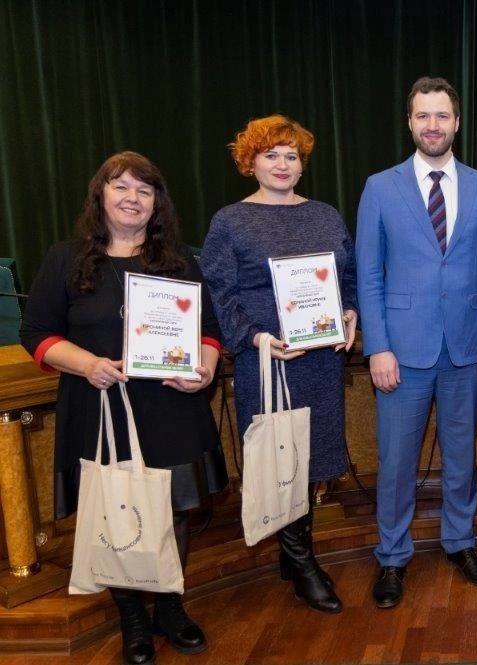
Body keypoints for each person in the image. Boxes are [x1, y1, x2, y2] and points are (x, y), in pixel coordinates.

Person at [20, 151, 227, 665]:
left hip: (170, 407)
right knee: (117, 512)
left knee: (174, 510)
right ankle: (132, 617)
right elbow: (36, 333)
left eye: (144, 190)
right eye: (121, 187)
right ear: (101, 195)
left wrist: (203, 371)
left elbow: (208, 331)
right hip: (99, 408)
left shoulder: (179, 261)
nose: (133, 198)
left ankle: (170, 608)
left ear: (157, 203)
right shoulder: (64, 259)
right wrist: (86, 364)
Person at [356, 76, 477, 608]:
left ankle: (460, 543)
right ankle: (392, 556)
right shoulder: (380, 187)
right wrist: (377, 346)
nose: (433, 125)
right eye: (423, 115)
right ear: (410, 122)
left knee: (462, 457)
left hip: (467, 349)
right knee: (397, 461)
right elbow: (369, 273)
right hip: (402, 350)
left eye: (442, 115)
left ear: (457, 123)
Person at [200, 115, 358, 614]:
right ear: (250, 162)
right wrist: (255, 337)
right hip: (267, 361)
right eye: (271, 155)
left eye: (292, 155)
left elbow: (349, 277)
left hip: (320, 361)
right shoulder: (230, 221)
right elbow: (220, 294)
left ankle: (294, 555)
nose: (283, 164)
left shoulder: (326, 216)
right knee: (280, 457)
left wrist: (350, 313)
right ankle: (302, 563)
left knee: (311, 457)